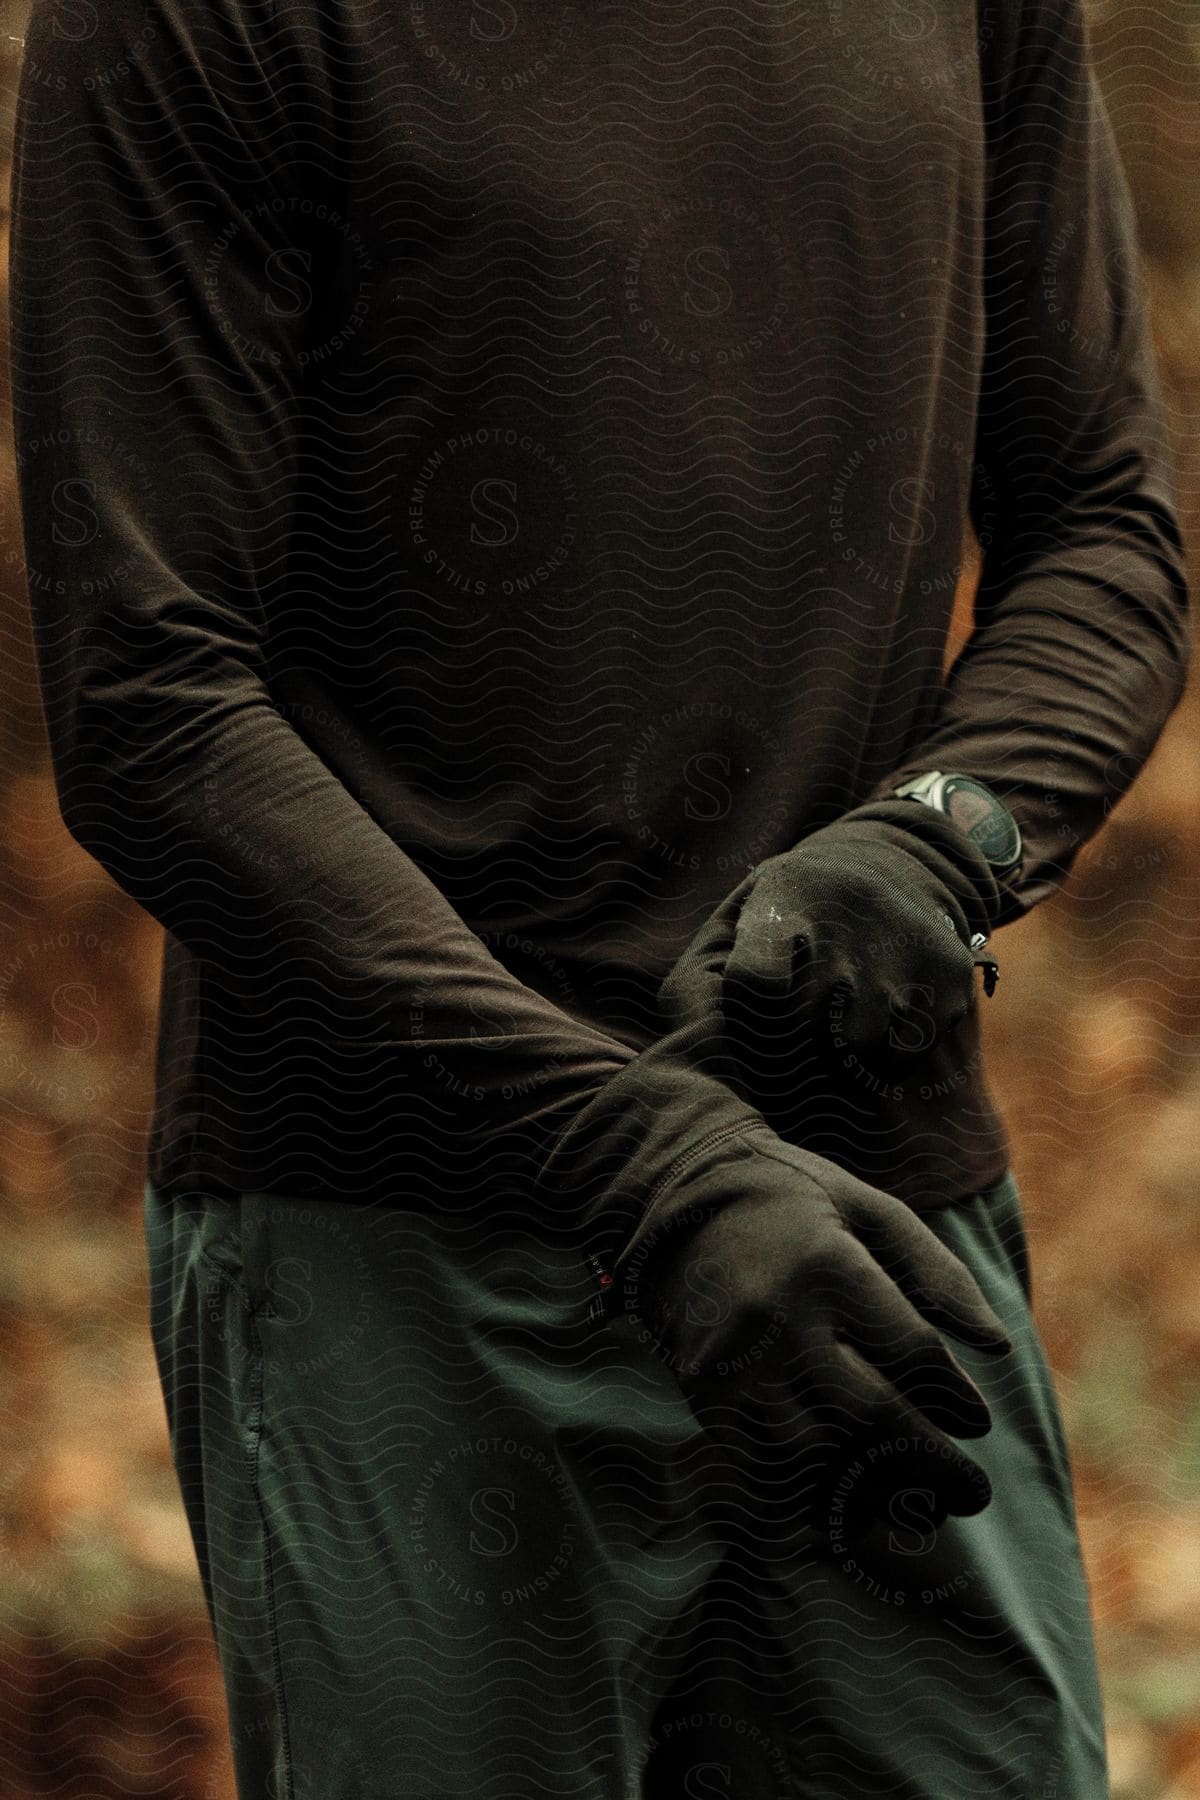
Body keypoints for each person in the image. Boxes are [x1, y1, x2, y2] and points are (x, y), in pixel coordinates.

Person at [8, 0, 1189, 1793]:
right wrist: (643, 1166)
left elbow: (1109, 529)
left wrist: (938, 837)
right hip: (396, 1244)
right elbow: (151, 702)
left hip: (868, 1235)